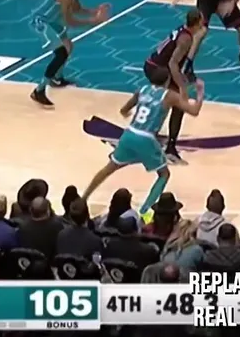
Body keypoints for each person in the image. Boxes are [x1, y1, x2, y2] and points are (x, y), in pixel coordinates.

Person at [79, 63, 205, 220]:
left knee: (108, 168)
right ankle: (145, 211)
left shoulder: (142, 90)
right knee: (164, 174)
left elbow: (123, 110)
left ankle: (83, 198)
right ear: (167, 81)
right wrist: (200, 92)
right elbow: (194, 111)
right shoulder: (169, 95)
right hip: (146, 138)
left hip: (129, 134)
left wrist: (130, 114)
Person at [31, 0, 111, 107]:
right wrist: (93, 21)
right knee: (61, 53)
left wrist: (95, 10)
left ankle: (56, 79)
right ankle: (39, 90)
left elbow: (77, 9)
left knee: (68, 46)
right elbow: (69, 20)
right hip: (42, 22)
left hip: (53, 21)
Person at [141, 9, 207, 164]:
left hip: (155, 65)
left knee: (170, 100)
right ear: (197, 23)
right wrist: (182, 87)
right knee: (178, 103)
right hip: (158, 69)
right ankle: (170, 148)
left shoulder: (183, 30)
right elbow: (173, 64)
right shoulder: (186, 39)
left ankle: (149, 131)